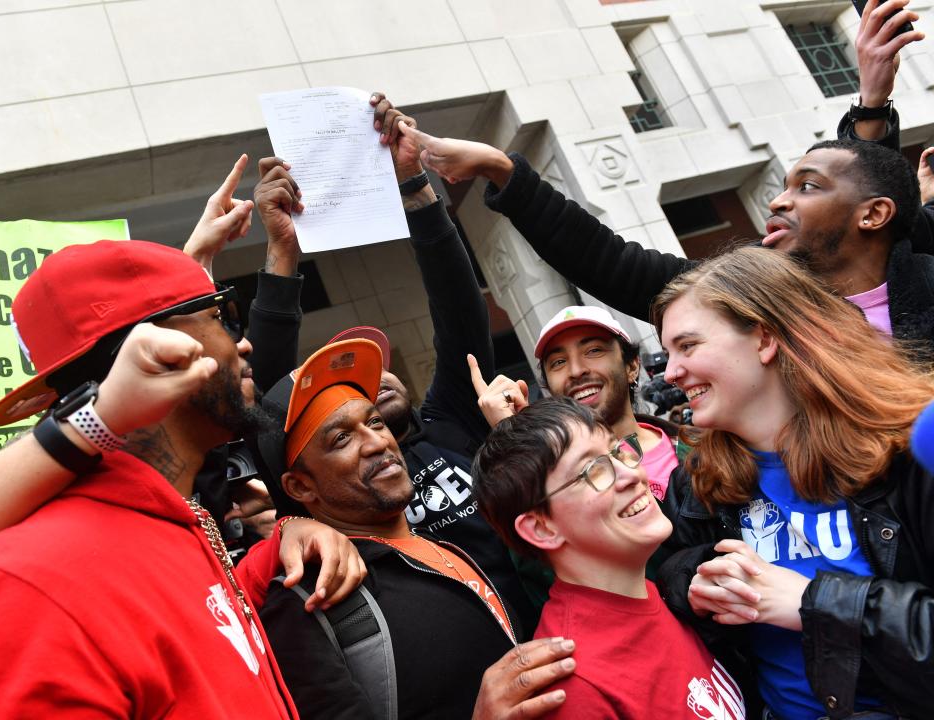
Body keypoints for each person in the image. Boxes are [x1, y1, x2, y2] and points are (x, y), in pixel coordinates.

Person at [0, 239, 299, 716]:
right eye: (220, 318)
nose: (242, 341)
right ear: (159, 351)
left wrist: (289, 537)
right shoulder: (33, 583)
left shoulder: (175, 519)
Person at [251, 93, 537, 634]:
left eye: (374, 369)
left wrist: (414, 184)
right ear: (302, 484)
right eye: (339, 429)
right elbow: (268, 412)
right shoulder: (328, 508)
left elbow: (458, 306)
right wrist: (283, 251)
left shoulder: (453, 420)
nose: (371, 390)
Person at [651, 247, 934, 719]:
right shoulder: (696, 483)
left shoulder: (908, 450)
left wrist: (810, 601)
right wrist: (695, 581)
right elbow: (661, 577)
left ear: (763, 339)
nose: (672, 372)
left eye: (688, 345)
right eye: (667, 353)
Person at [397, 107, 934, 355]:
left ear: (874, 215)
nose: (779, 199)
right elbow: (610, 263)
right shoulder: (756, 292)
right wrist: (502, 170)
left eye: (809, 187)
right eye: (785, 184)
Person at [254, 338, 573, 719]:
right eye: (342, 438)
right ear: (300, 487)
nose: (377, 442)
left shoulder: (445, 550)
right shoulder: (308, 602)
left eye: (374, 421)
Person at [471, 397, 747, 719]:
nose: (631, 474)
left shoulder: (659, 593)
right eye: (593, 470)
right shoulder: (573, 687)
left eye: (618, 451)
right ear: (542, 528)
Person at [471, 305, 684, 501]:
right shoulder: (553, 486)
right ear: (548, 389)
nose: (575, 371)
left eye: (593, 351)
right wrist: (519, 439)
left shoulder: (702, 445)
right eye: (559, 362)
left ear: (631, 367)